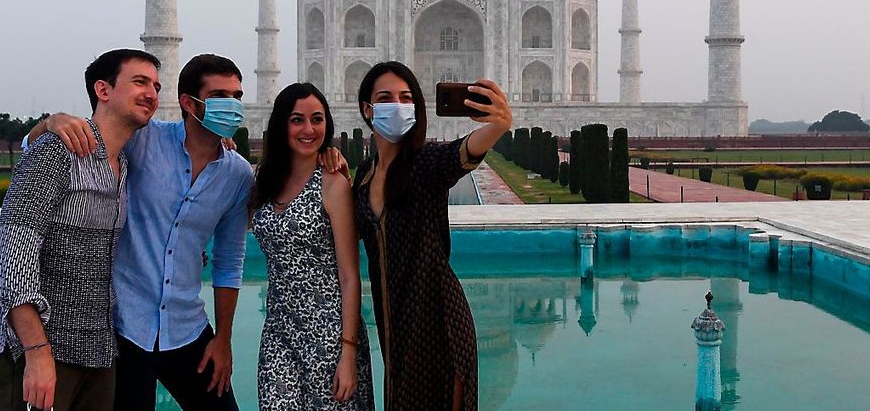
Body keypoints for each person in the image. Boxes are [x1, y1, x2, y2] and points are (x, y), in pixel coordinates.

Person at [29, 54, 252, 410]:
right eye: (220, 96)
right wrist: (50, 123)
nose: (232, 106)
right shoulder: (144, 140)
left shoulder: (238, 175)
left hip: (187, 327)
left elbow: (229, 260)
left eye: (237, 96)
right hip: (124, 328)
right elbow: (75, 143)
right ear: (188, 102)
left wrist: (223, 338)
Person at [0, 48, 161, 411]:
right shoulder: (58, 152)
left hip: (98, 352)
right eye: (140, 82)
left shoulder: (123, 164)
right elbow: (11, 255)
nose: (152, 94)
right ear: (103, 90)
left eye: (156, 86)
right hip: (42, 354)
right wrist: (37, 352)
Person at [352, 62, 512, 411]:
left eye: (406, 98)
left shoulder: (425, 164)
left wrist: (498, 124)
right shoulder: (363, 178)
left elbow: (465, 152)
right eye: (386, 97)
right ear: (367, 108)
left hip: (439, 324)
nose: (397, 105)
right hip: (394, 328)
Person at [250, 83, 374, 409]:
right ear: (281, 125)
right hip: (279, 329)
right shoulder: (266, 180)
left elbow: (349, 276)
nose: (309, 129)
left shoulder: (333, 184)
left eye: (317, 119)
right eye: (297, 120)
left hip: (329, 336)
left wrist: (348, 352)